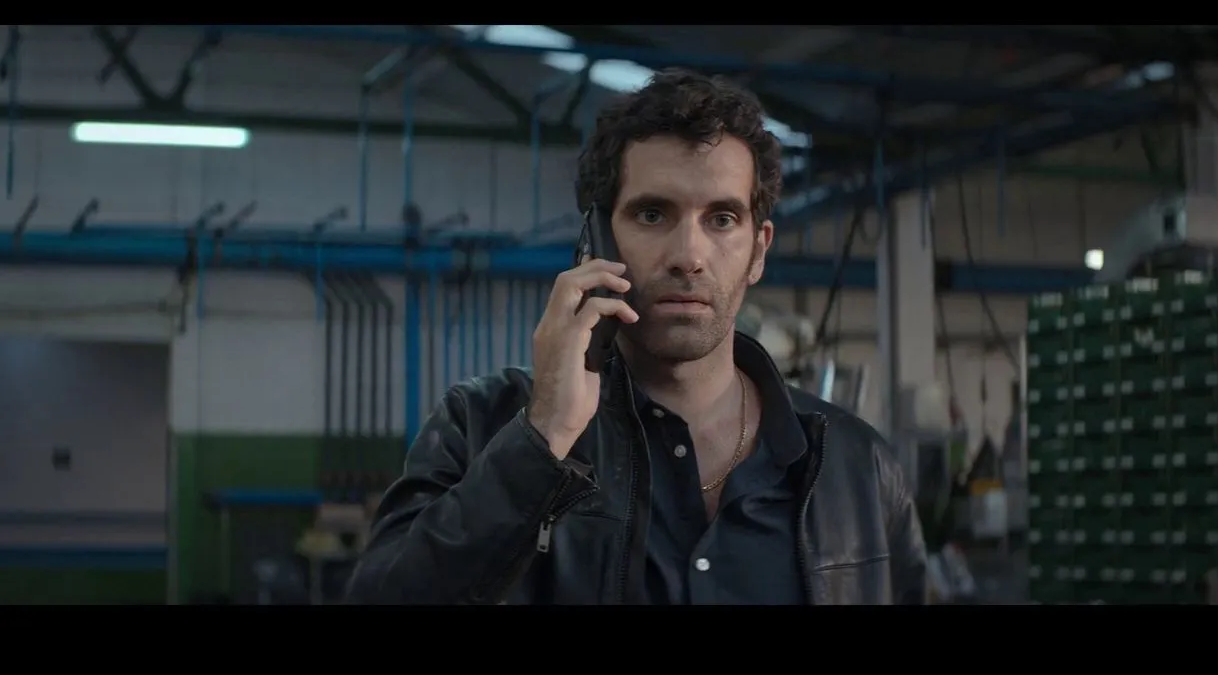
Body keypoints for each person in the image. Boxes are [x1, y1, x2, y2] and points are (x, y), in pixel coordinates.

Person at [345, 68, 927, 605]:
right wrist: (543, 437)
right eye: (652, 214)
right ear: (597, 241)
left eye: (722, 219)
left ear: (758, 250)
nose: (688, 255)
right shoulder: (479, 426)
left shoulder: (858, 467)